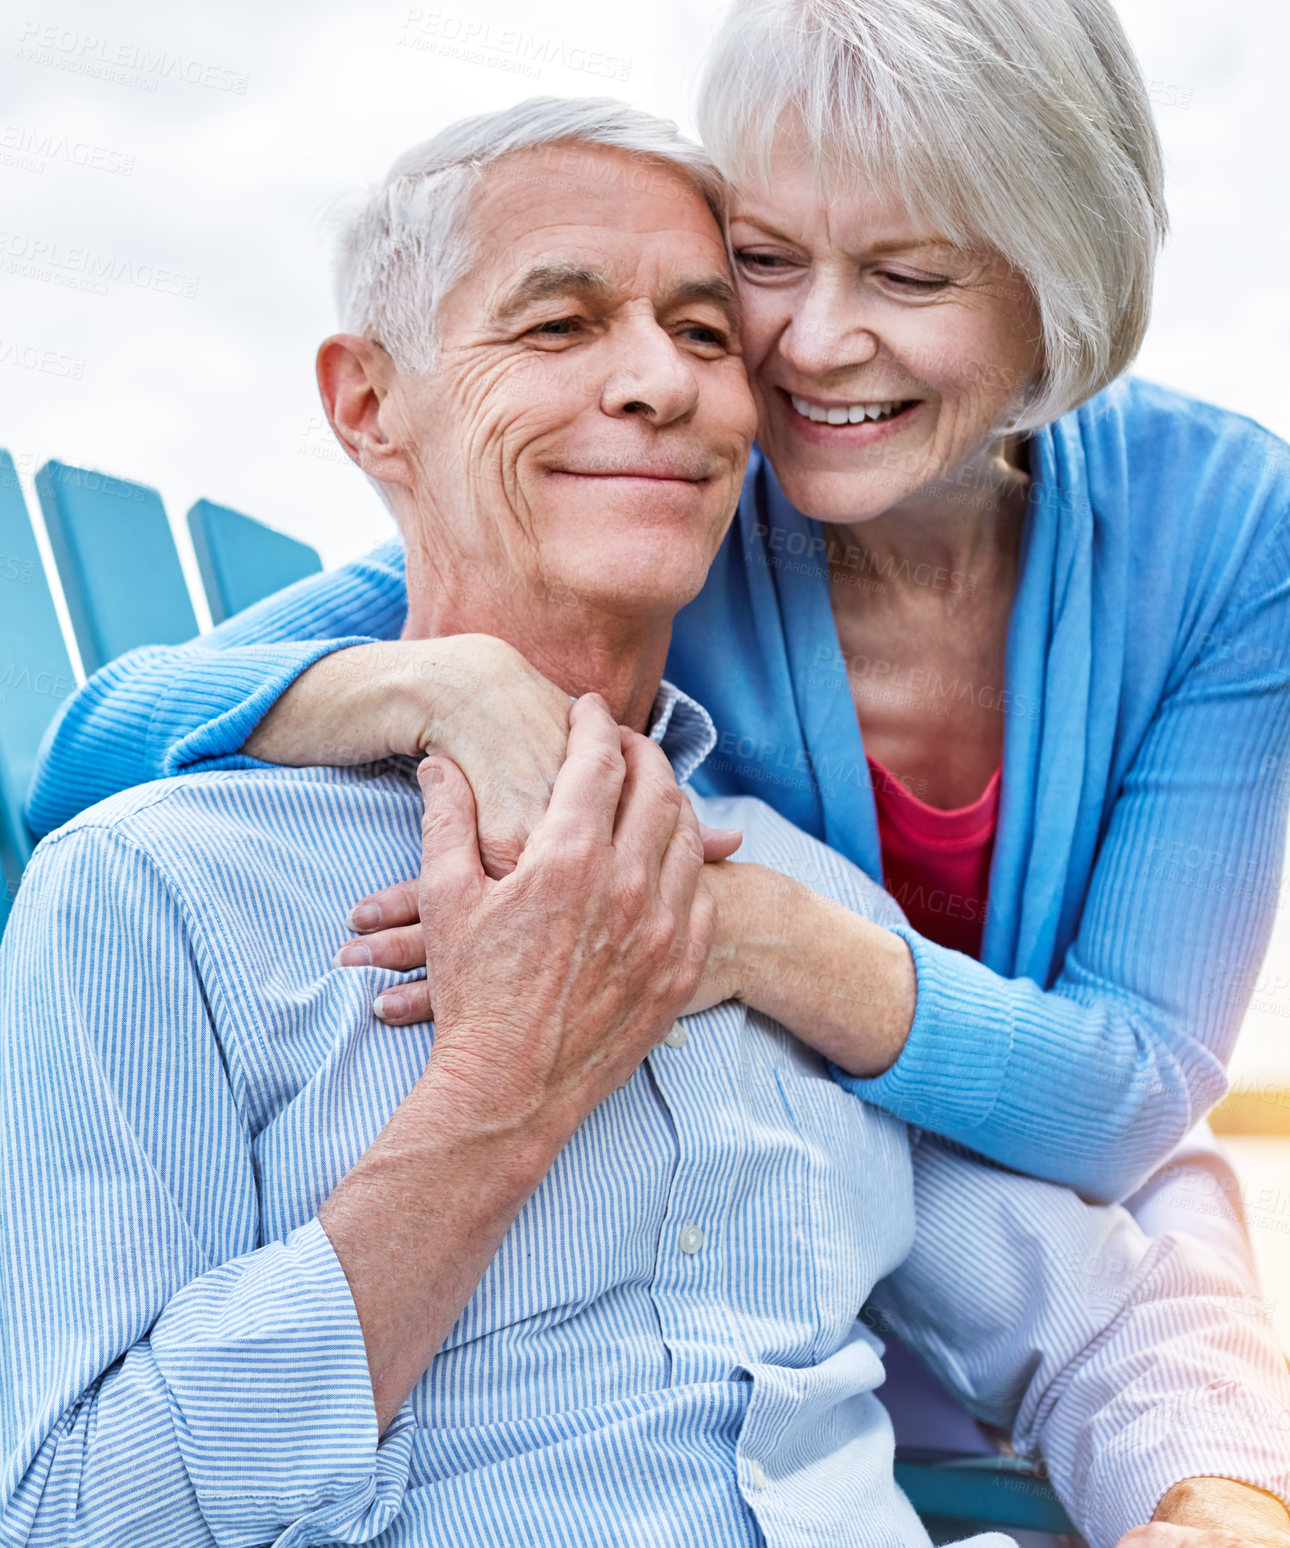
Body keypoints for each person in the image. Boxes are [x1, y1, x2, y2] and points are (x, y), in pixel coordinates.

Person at [3, 102, 1290, 1548]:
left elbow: (1102, 1314)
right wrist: (505, 1093)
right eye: (556, 325)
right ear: (371, 407)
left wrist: (1216, 1503)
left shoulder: (791, 912)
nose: (655, 385)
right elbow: (73, 1516)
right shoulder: (159, 893)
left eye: (698, 334)